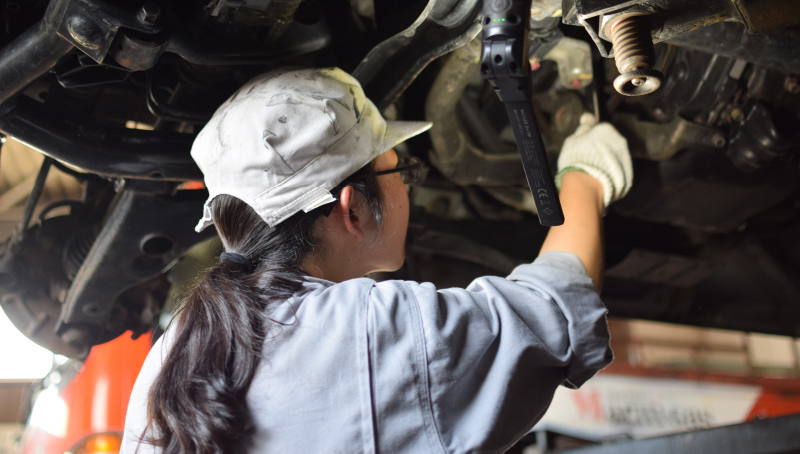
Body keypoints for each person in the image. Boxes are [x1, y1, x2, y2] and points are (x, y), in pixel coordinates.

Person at [121, 67, 632, 453]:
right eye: (400, 171)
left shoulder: (169, 359)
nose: (408, 185)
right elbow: (554, 309)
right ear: (355, 209)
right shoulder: (368, 331)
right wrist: (585, 175)